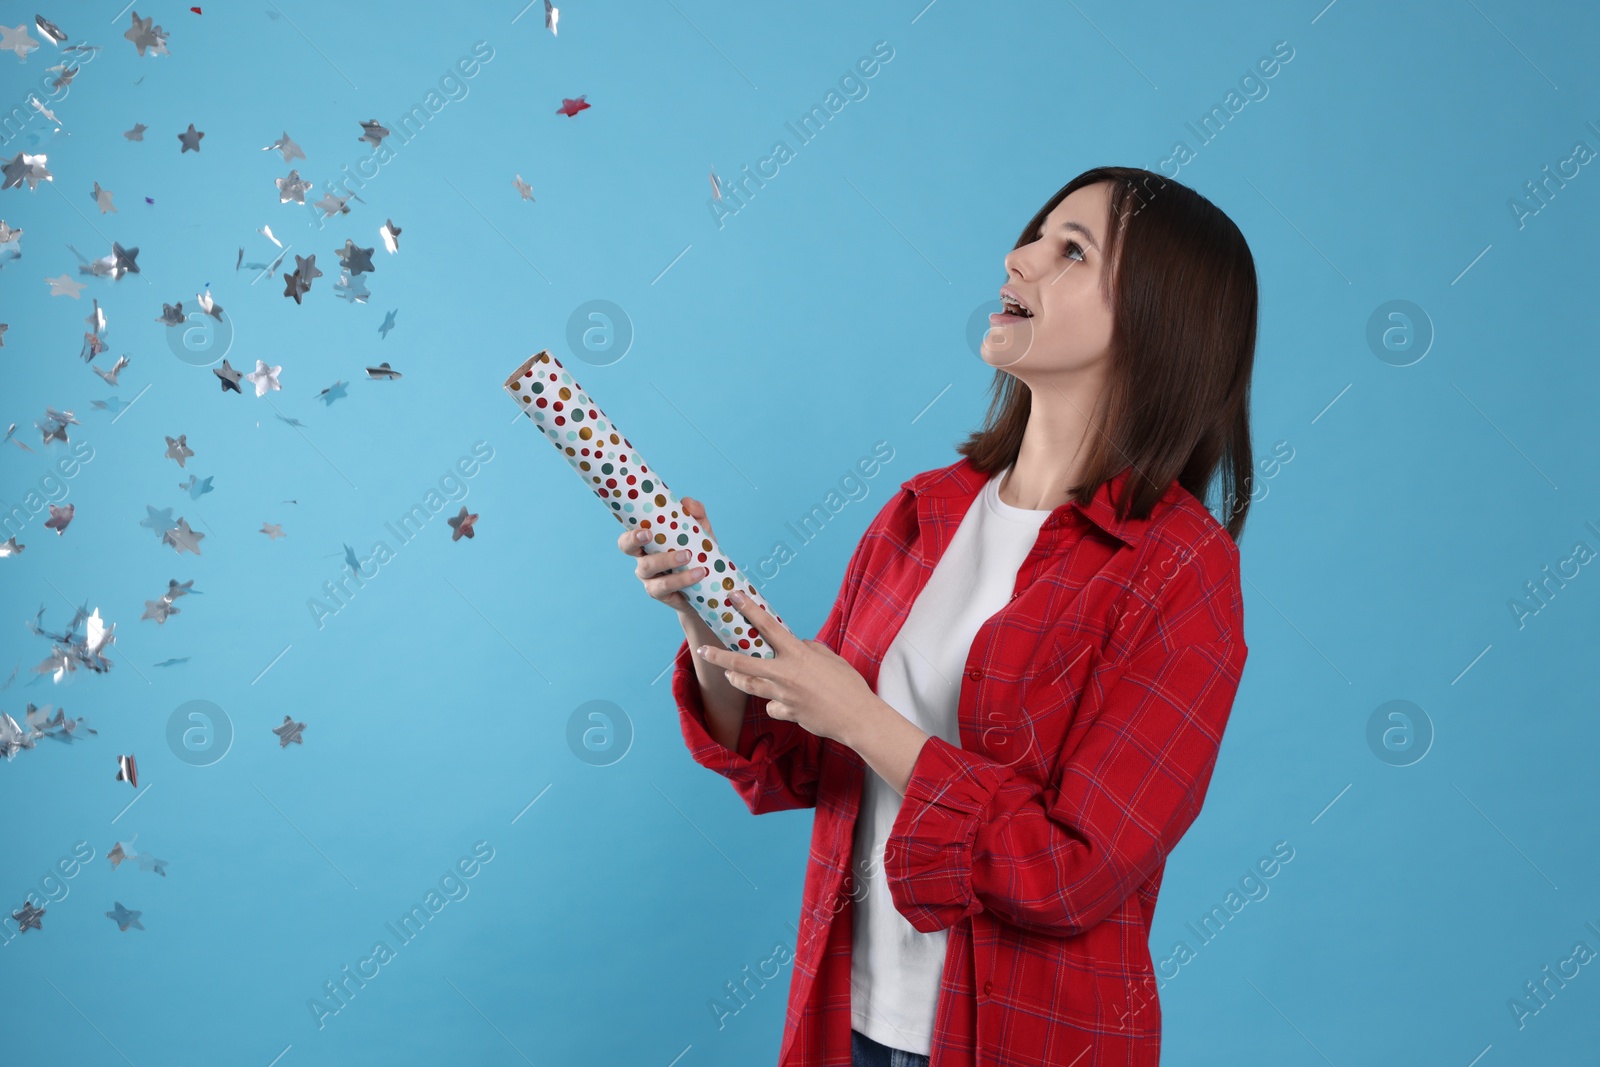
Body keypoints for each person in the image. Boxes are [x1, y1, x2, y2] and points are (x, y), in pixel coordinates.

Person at [621, 165, 1257, 1067]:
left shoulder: (1181, 571)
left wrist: (862, 715)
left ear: (1160, 320)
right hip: (853, 1023)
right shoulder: (925, 511)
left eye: (1070, 251)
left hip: (1026, 1040)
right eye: (1036, 234)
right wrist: (705, 620)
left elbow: (1072, 869)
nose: (1019, 257)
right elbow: (799, 762)